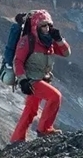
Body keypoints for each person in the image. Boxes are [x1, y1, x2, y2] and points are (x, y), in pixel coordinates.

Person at [10, 9, 71, 142]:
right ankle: (45, 129)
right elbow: (18, 61)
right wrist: (23, 81)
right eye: (43, 25)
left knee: (31, 109)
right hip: (31, 79)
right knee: (55, 96)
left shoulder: (50, 42)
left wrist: (59, 40)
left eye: (49, 25)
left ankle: (16, 139)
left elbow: (66, 53)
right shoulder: (27, 41)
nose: (47, 28)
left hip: (42, 78)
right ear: (36, 26)